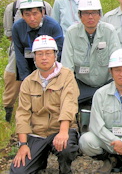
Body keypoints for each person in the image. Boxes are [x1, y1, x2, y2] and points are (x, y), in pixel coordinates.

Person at [11, 35, 79, 174]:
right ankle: (39, 161)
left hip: (60, 129)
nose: (44, 57)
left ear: (55, 55)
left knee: (66, 149)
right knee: (19, 171)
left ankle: (65, 169)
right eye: (40, 54)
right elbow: (22, 114)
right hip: (38, 133)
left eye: (48, 53)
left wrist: (63, 131)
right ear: (34, 57)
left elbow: (69, 104)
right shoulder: (28, 82)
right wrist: (23, 144)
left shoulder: (67, 75)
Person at [3, 0, 53, 122]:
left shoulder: (45, 6)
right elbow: (9, 33)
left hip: (43, 49)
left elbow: (50, 27)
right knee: (12, 77)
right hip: (19, 48)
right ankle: (9, 110)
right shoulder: (11, 8)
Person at [61, 0, 121, 104]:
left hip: (106, 84)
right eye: (86, 13)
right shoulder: (71, 33)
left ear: (100, 14)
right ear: (79, 15)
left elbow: (117, 62)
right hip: (81, 84)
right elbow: (67, 67)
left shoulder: (109, 31)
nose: (90, 17)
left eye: (94, 13)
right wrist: (71, 90)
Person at [12, 0, 64, 81]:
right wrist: (26, 80)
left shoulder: (53, 26)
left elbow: (59, 53)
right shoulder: (17, 27)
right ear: (22, 15)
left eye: (35, 13)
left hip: (50, 66)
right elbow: (19, 55)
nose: (32, 18)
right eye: (27, 15)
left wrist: (49, 76)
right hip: (27, 63)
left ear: (43, 12)